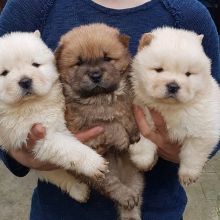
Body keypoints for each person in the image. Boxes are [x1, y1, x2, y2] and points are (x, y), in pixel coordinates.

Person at [0, 0, 219, 219]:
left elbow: (213, 105)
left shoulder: (189, 14)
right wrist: (17, 152)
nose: (95, 73)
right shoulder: (30, 6)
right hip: (59, 211)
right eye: (78, 64)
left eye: (108, 59)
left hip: (157, 209)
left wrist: (186, 149)